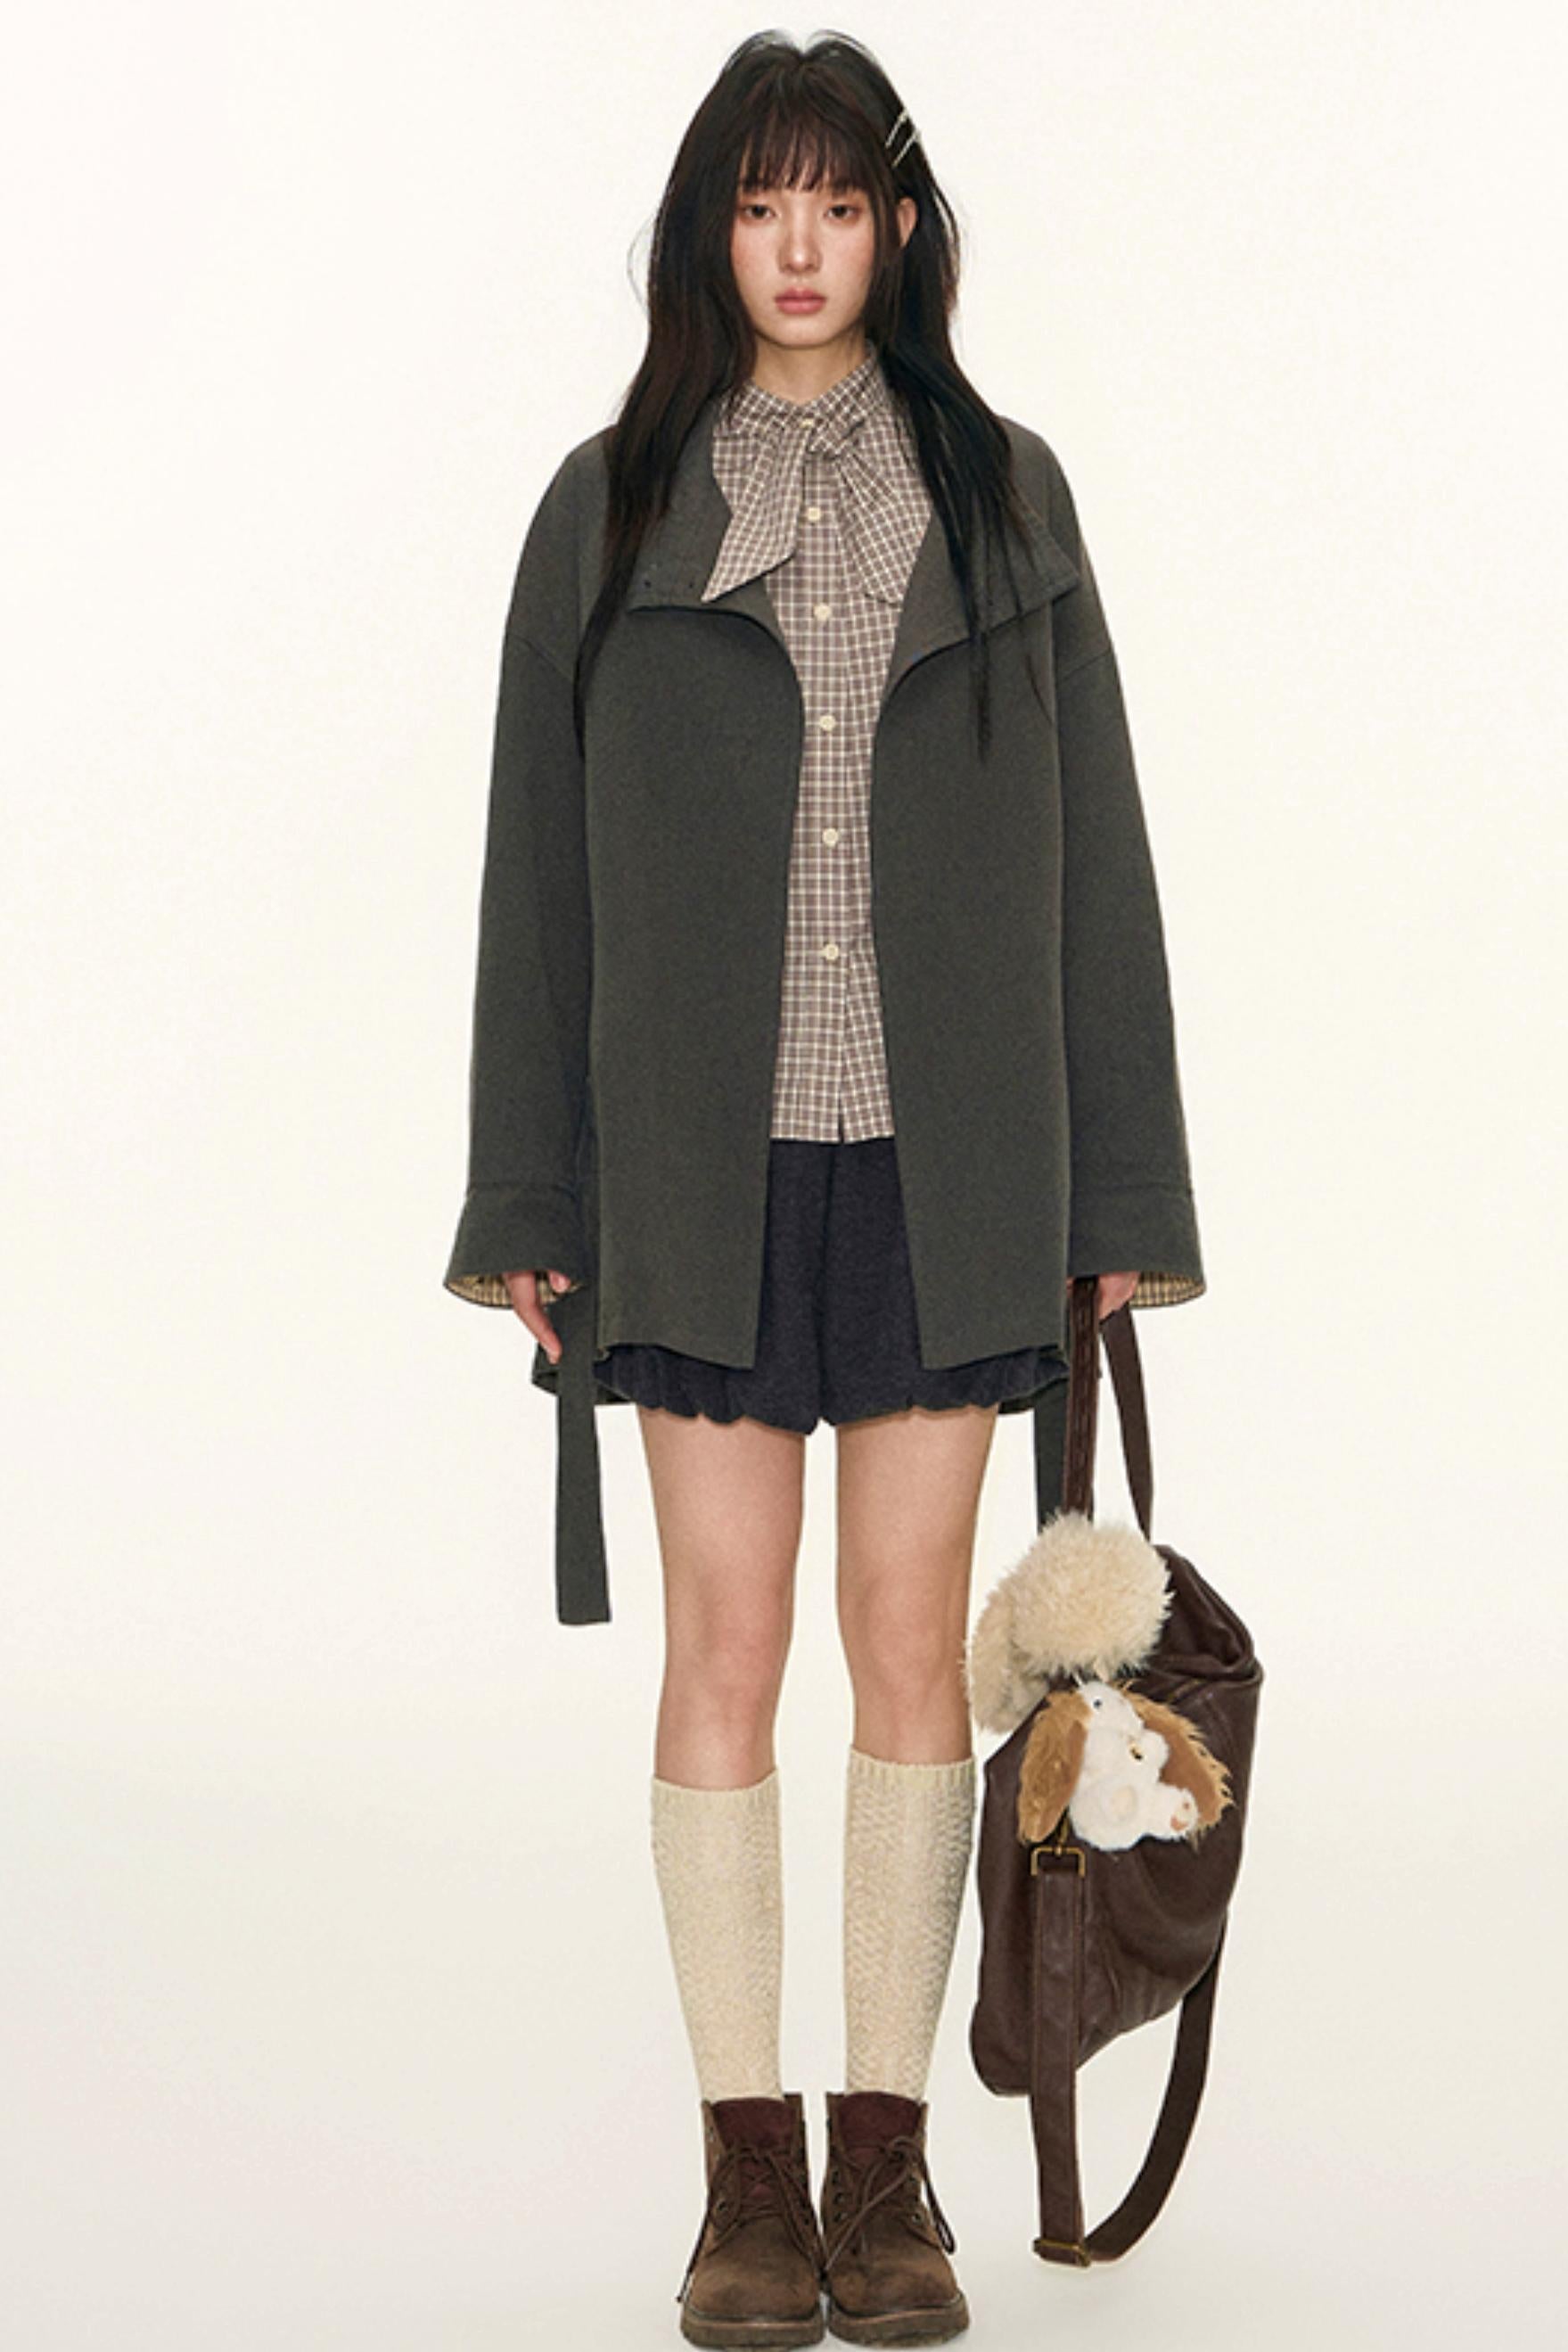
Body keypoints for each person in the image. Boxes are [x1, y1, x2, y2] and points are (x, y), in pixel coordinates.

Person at [442, 29, 1204, 2348]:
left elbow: (1096, 856)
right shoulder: (610, 507)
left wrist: (1120, 1188)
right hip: (697, 1166)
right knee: (725, 1648)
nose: (798, 246)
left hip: (949, 1164)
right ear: (709, 229)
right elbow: (536, 876)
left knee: (906, 1645)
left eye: (839, 204)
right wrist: (528, 1188)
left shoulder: (1005, 495)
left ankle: (888, 2173)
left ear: (900, 229)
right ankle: (743, 2186)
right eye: (759, 203)